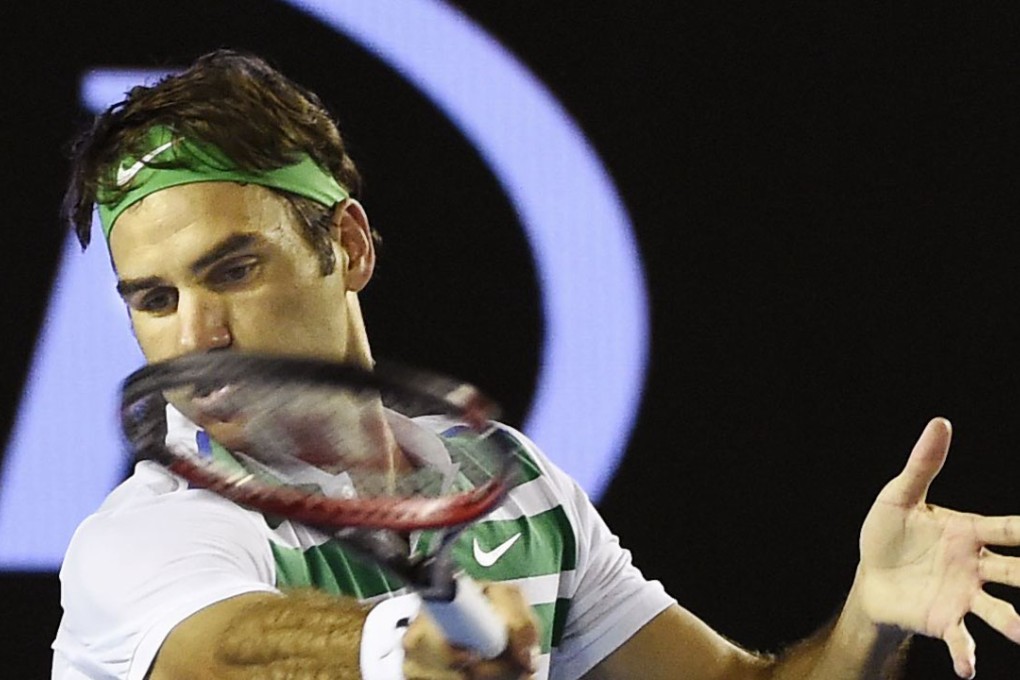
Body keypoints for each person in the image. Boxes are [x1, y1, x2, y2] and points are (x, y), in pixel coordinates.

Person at [51, 49, 1020, 680]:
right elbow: (225, 649)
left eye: (234, 268)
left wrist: (865, 621)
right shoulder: (145, 536)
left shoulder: (510, 488)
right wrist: (392, 644)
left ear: (346, 245)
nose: (196, 335)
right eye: (156, 298)